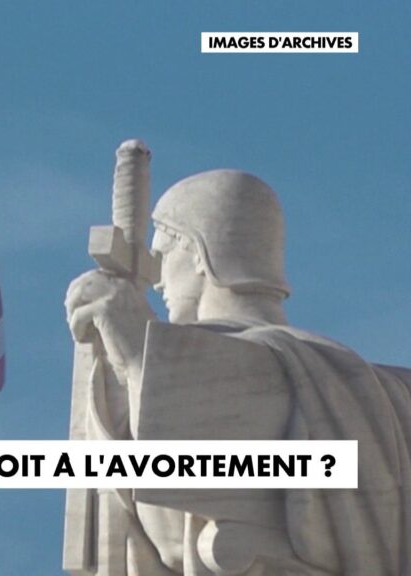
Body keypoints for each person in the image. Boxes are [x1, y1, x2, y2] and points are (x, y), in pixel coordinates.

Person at [65, 169, 411, 575]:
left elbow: (176, 520)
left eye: (165, 254)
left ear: (201, 253)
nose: (156, 281)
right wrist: (120, 369)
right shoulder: (359, 383)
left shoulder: (278, 369)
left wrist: (138, 358)